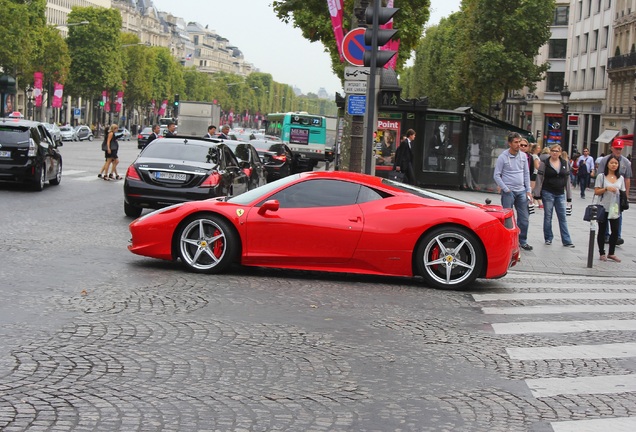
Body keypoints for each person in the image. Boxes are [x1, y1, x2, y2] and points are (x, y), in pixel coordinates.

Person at [494, 132, 533, 251]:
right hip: (508, 191)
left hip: (521, 190)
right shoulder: (503, 157)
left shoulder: (523, 156)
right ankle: (508, 241)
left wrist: (528, 190)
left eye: (519, 142)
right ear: (510, 143)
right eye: (515, 142)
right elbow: (496, 175)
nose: (518, 145)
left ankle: (522, 240)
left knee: (524, 218)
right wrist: (506, 189)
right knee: (508, 218)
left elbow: (526, 173)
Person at [532, 144, 574, 247]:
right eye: (553, 151)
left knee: (562, 217)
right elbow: (539, 179)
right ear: (550, 152)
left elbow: (567, 180)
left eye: (556, 151)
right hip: (548, 192)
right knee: (548, 216)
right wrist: (537, 194)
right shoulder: (544, 163)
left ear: (560, 152)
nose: (554, 153)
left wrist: (569, 196)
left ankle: (567, 240)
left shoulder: (564, 163)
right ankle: (548, 238)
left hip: (560, 193)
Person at [597, 140, 632, 245]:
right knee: (605, 214)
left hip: (618, 195)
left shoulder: (626, 162)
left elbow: (627, 179)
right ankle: (606, 235)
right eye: (616, 148)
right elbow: (600, 176)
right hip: (605, 194)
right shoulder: (604, 160)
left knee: (617, 214)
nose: (618, 150)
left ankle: (617, 236)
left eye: (620, 149)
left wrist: (626, 196)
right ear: (611, 148)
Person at [594, 154, 626, 262]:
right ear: (607, 164)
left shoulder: (620, 178)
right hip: (603, 206)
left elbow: (623, 191)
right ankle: (602, 252)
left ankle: (611, 253)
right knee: (602, 230)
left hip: (615, 207)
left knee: (615, 230)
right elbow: (596, 191)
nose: (614, 165)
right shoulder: (601, 176)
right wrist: (606, 188)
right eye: (611, 163)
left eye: (616, 163)